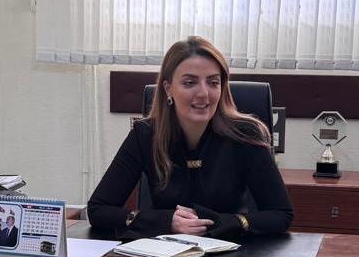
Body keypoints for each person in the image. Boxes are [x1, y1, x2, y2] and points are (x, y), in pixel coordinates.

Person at [86, 36, 293, 239]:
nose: (203, 93)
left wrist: (222, 223)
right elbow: (98, 209)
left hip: (232, 252)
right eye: (190, 82)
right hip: (164, 254)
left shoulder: (246, 134)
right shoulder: (145, 134)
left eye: (213, 82)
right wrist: (167, 221)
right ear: (169, 89)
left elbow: (281, 214)